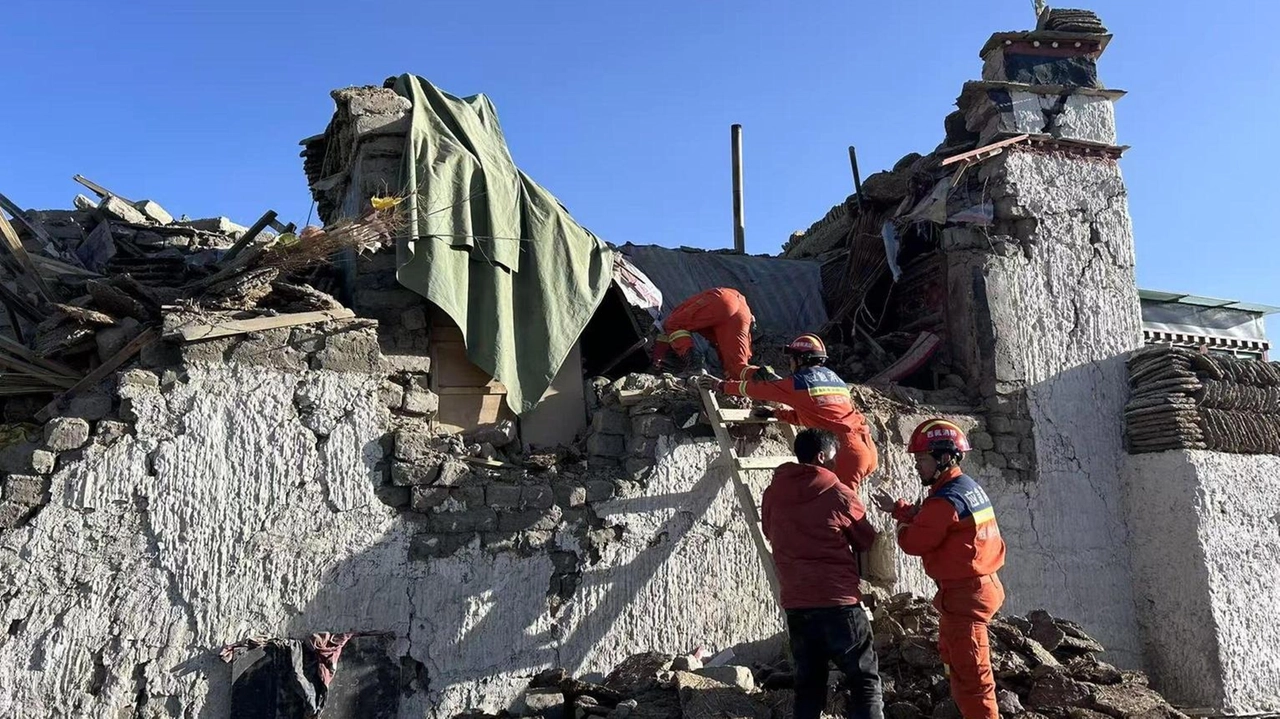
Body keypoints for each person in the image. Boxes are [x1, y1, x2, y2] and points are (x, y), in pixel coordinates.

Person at [871, 419, 1006, 719]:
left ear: (944, 458)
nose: (917, 466)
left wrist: (902, 524)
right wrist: (899, 508)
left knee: (974, 682)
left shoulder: (946, 500)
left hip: (965, 599)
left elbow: (915, 540)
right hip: (975, 589)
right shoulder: (961, 488)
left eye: (921, 459)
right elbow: (934, 518)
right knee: (955, 662)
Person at [764, 428, 883, 719]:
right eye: (833, 458)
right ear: (821, 457)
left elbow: (769, 531)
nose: (836, 464)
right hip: (839, 604)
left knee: (808, 686)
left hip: (797, 605)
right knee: (864, 680)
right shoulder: (840, 494)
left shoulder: (773, 493)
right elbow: (866, 540)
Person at [698, 334, 878, 488]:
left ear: (800, 360)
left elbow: (757, 389)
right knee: (841, 510)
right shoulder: (835, 380)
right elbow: (817, 416)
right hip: (867, 449)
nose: (790, 363)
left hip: (845, 453)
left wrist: (721, 385)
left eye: (792, 358)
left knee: (839, 514)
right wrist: (777, 414)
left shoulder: (799, 383)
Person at [652, 287, 776, 381]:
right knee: (736, 368)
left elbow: (664, 331)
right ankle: (767, 376)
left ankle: (695, 364)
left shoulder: (676, 313)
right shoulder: (711, 330)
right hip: (744, 311)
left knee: (672, 324)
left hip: (722, 298)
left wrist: (656, 361)